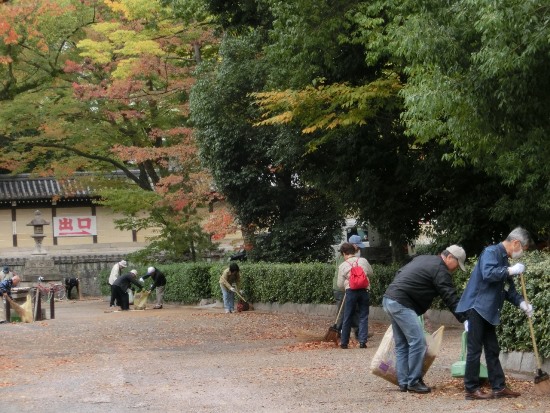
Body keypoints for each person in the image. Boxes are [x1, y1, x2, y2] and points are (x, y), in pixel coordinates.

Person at [456, 227, 531, 400]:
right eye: (522, 250)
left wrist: (522, 303)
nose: (521, 254)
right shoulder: (491, 252)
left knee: (492, 348)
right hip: (476, 307)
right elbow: (488, 273)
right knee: (474, 349)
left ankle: (499, 387)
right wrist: (511, 270)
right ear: (515, 243)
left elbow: (508, 290)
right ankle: (471, 389)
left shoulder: (504, 259)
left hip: (488, 310)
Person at [383, 245, 467, 394]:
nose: (456, 270)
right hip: (402, 303)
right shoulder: (441, 269)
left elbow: (400, 272)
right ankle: (414, 381)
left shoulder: (423, 259)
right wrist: (464, 319)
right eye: (457, 264)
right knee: (418, 342)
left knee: (402, 344)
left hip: (390, 298)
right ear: (449, 257)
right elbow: (449, 296)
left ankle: (404, 382)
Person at [337, 242, 373, 349]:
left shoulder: (343, 265)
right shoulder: (363, 261)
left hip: (351, 291)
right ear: (354, 251)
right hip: (364, 290)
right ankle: (362, 341)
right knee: (363, 316)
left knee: (348, 316)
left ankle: (344, 343)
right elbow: (371, 273)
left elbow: (339, 284)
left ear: (344, 253)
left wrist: (346, 287)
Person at [332, 235, 369, 339]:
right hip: (341, 288)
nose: (359, 249)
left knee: (354, 310)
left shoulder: (348, 256)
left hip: (350, 287)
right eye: (358, 247)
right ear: (353, 245)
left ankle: (358, 333)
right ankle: (337, 333)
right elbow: (342, 276)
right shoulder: (343, 258)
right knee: (343, 312)